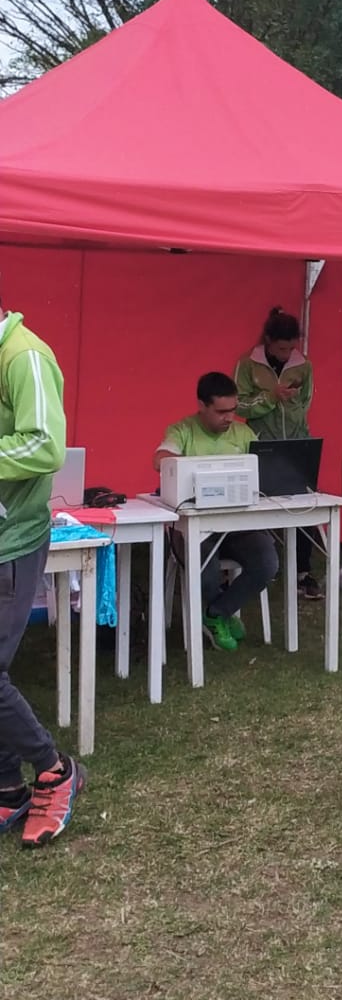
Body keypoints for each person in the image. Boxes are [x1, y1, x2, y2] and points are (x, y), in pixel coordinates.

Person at [0, 300, 87, 847]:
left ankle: (55, 771)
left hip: (11, 540)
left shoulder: (23, 355)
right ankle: (8, 787)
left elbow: (44, 445)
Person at [154, 371, 279, 652]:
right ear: (202, 405)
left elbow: (266, 468)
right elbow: (160, 459)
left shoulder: (243, 434)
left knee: (267, 562)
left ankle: (217, 612)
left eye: (232, 410)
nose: (229, 418)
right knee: (206, 566)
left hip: (237, 526)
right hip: (192, 528)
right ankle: (220, 613)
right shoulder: (181, 430)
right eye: (221, 412)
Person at [234, 308, 322, 600]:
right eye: (282, 349)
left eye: (291, 348)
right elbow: (239, 405)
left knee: (305, 503)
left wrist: (292, 413)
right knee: (258, 502)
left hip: (296, 442)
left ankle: (302, 572)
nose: (287, 354)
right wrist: (271, 398)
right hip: (261, 442)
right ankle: (261, 565)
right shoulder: (248, 364)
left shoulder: (303, 366)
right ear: (269, 342)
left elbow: (306, 402)